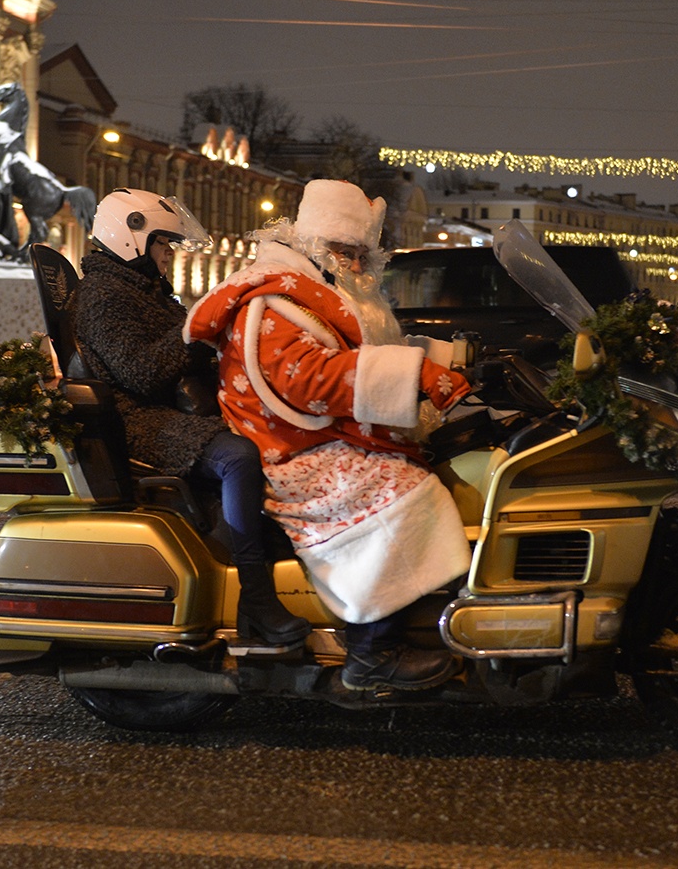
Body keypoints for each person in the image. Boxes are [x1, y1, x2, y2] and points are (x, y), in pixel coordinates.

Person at [186, 179, 473, 693]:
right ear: (316, 245)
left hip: (306, 437)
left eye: (364, 255)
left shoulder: (312, 292)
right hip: (289, 450)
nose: (359, 268)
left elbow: (357, 351)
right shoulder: (273, 299)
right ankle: (372, 651)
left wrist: (444, 360)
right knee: (401, 490)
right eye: (348, 253)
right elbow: (308, 378)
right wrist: (416, 377)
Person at [71, 188, 310, 647]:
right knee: (238, 456)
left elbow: (190, 347)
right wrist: (197, 328)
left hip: (168, 408)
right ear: (131, 236)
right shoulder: (103, 295)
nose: (167, 256)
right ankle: (256, 598)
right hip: (139, 421)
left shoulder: (143, 288)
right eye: (163, 245)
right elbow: (142, 372)